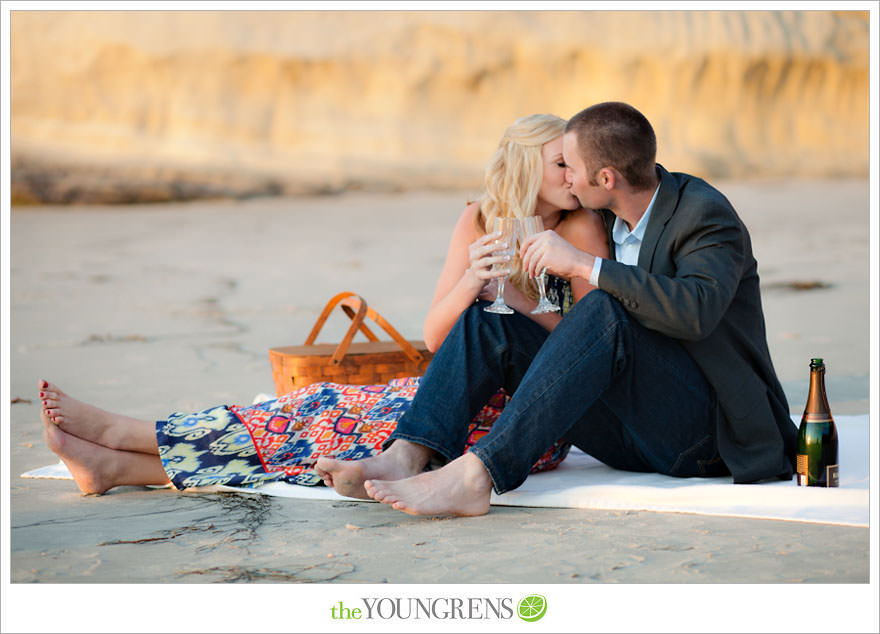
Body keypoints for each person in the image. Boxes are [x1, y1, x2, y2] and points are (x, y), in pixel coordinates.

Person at [38, 113, 609, 496]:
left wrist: (515, 299)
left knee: (340, 430)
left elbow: (590, 342)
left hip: (527, 415)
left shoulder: (580, 230)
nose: (574, 174)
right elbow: (436, 339)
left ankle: (126, 436)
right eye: (560, 162)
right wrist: (471, 286)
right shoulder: (480, 220)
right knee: (318, 404)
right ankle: (118, 464)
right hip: (451, 392)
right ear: (525, 165)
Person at [317, 101, 798, 517]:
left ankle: (478, 475)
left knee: (604, 311)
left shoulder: (703, 213)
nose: (567, 178)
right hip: (630, 434)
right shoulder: (606, 210)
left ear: (605, 178)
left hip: (706, 437)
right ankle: (407, 455)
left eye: (572, 167)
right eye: (560, 165)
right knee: (493, 322)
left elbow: (696, 311)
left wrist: (586, 266)